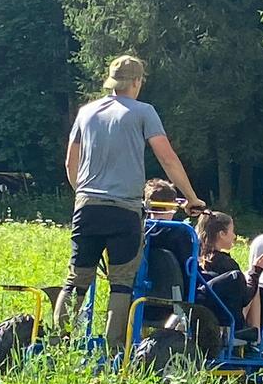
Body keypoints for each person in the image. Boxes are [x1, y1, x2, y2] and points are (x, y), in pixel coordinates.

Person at [54, 55, 206, 353]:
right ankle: (115, 353)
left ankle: (57, 344)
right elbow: (167, 158)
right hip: (124, 211)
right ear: (137, 82)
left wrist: (82, 193)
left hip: (87, 205)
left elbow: (70, 161)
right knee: (122, 283)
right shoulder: (143, 112)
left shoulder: (86, 112)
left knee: (77, 279)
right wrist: (191, 198)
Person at [195, 211, 263, 332]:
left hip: (203, 314)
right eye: (232, 231)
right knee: (253, 286)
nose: (234, 236)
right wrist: (256, 271)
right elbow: (245, 297)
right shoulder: (226, 264)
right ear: (222, 234)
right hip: (227, 319)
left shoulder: (197, 259)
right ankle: (257, 339)